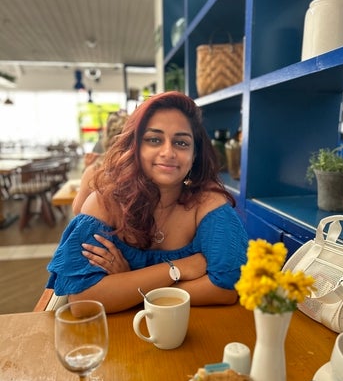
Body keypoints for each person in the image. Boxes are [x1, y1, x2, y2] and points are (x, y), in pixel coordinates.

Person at [46, 91, 248, 313]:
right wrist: (177, 269)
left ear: (195, 154)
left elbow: (227, 287)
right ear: (135, 148)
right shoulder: (104, 203)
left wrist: (128, 286)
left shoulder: (208, 204)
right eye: (154, 139)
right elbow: (83, 301)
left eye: (181, 143)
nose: (168, 152)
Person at [72, 110, 128, 215]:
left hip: (99, 230)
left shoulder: (95, 171)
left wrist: (87, 169)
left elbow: (77, 210)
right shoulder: (141, 169)